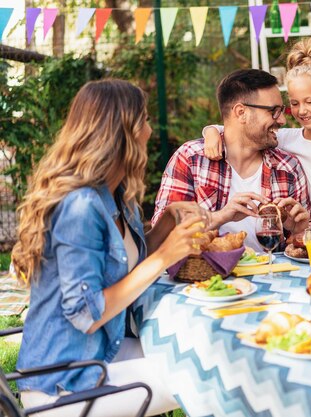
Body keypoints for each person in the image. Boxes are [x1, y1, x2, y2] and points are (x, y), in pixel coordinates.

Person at [11, 79, 207, 416]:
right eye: (144, 120)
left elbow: (130, 263)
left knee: (195, 351)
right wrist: (165, 256)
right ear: (123, 133)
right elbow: (85, 315)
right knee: (196, 377)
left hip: (98, 352)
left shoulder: (116, 194)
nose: (149, 130)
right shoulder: (81, 206)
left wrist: (166, 225)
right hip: (61, 381)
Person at [202, 38, 311, 234]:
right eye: (294, 103)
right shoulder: (287, 138)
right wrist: (211, 131)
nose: (302, 111)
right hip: (309, 235)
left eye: (309, 101)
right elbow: (236, 126)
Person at [153, 69, 310, 252]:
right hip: (208, 278)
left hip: (272, 275)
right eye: (274, 111)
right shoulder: (191, 159)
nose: (282, 120)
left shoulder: (288, 168)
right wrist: (221, 217)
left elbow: (299, 250)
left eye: (281, 111)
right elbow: (162, 237)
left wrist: (299, 232)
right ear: (241, 112)